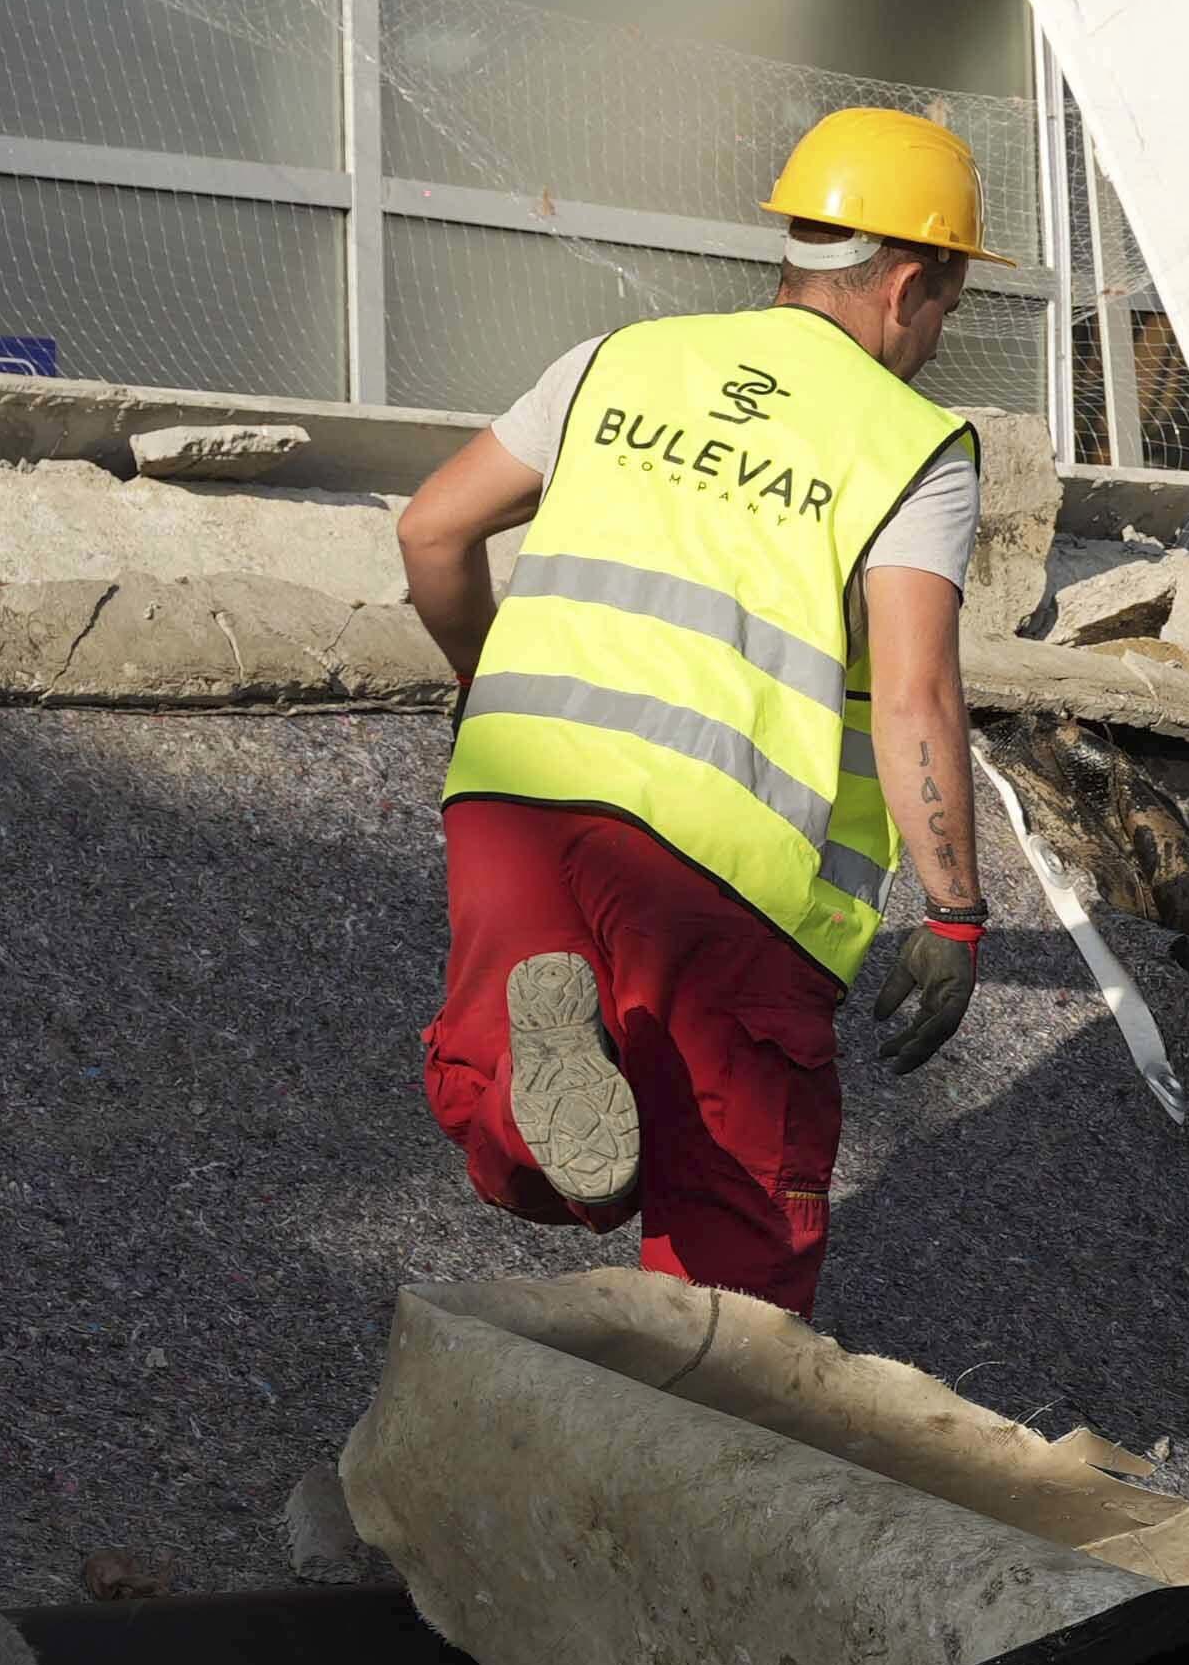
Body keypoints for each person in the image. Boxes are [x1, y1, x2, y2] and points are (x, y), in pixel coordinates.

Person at [397, 103, 1009, 1315]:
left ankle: (536, 1081)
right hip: (723, 868)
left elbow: (430, 527)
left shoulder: (617, 358)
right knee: (735, 1231)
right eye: (948, 305)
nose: (940, 338)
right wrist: (954, 915)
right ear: (906, 282)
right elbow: (916, 694)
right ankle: (705, 1474)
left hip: (515, 802)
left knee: (506, 1112)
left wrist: (491, 688)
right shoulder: (911, 442)